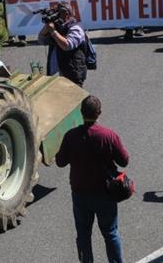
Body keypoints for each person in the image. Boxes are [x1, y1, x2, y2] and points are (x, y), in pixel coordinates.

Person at [55, 95, 129, 263]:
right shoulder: (108, 135)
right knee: (110, 233)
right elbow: (124, 160)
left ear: (81, 113)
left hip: (80, 194)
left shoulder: (71, 136)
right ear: (99, 113)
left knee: (83, 235)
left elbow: (60, 162)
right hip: (105, 193)